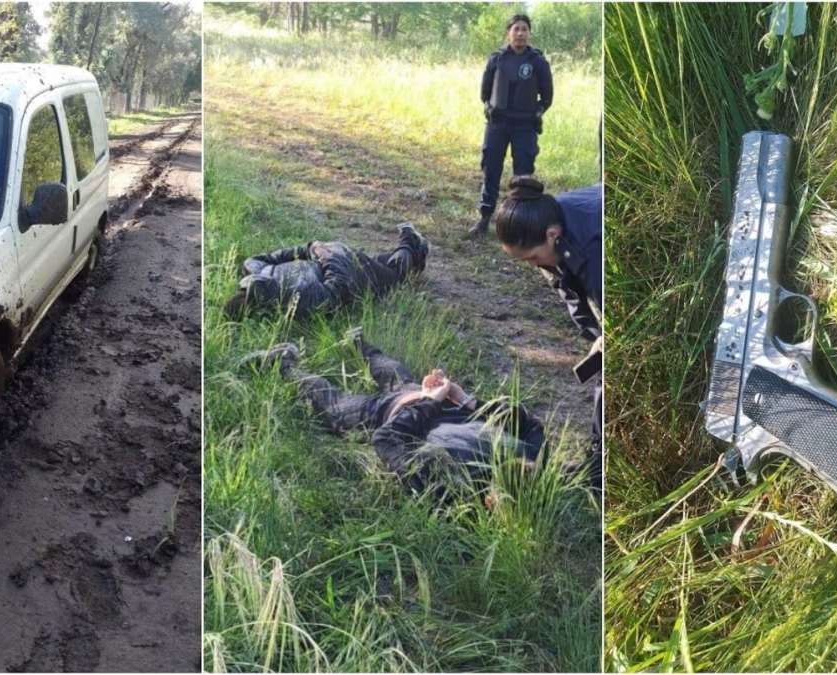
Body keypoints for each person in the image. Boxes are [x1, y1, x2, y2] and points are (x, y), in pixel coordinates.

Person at [240, 329, 545, 499]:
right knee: (364, 391)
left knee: (357, 395)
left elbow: (386, 440)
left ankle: (293, 361)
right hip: (415, 404)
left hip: (403, 408)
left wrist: (434, 401)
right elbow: (524, 420)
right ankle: (355, 345)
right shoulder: (525, 452)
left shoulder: (448, 487)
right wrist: (459, 397)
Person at [495, 175, 602, 491]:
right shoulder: (547, 224)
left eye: (532, 258)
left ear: (553, 235)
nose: (531, 265)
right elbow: (570, 291)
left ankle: (599, 473)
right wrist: (594, 334)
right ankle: (598, 464)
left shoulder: (593, 248)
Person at [225, 224, 428, 320]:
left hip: (334, 259)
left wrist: (312, 249)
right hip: (337, 261)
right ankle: (409, 243)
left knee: (388, 274)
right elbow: (340, 287)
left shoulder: (255, 268)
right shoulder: (297, 300)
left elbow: (283, 255)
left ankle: (409, 243)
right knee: (388, 273)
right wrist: (320, 252)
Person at [469, 14, 554, 237]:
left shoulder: (537, 61)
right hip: (498, 124)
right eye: (516, 29)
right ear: (509, 32)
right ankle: (484, 218)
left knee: (523, 176)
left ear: (529, 33)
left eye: (524, 29)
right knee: (491, 169)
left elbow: (547, 96)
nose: (520, 33)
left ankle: (519, 223)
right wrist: (489, 108)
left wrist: (536, 112)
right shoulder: (496, 58)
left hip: (525, 126)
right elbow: (484, 92)